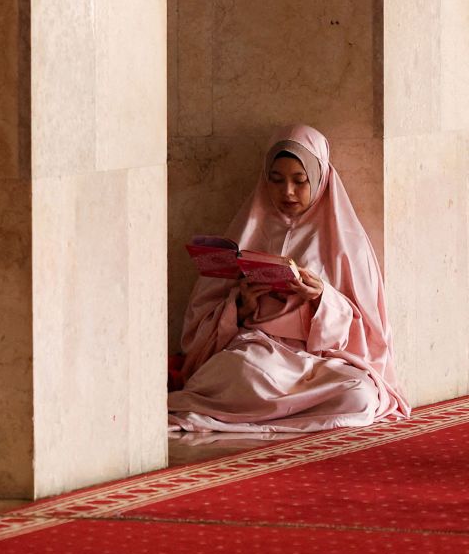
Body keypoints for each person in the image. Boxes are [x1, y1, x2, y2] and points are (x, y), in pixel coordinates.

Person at [168, 124, 409, 434]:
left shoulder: (347, 242)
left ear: (320, 179)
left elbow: (371, 332)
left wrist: (322, 297)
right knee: (238, 373)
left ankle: (265, 414)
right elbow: (202, 317)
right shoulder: (248, 229)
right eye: (277, 180)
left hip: (320, 362)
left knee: (360, 394)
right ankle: (280, 411)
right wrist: (240, 305)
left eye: (300, 181)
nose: (288, 192)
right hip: (261, 351)